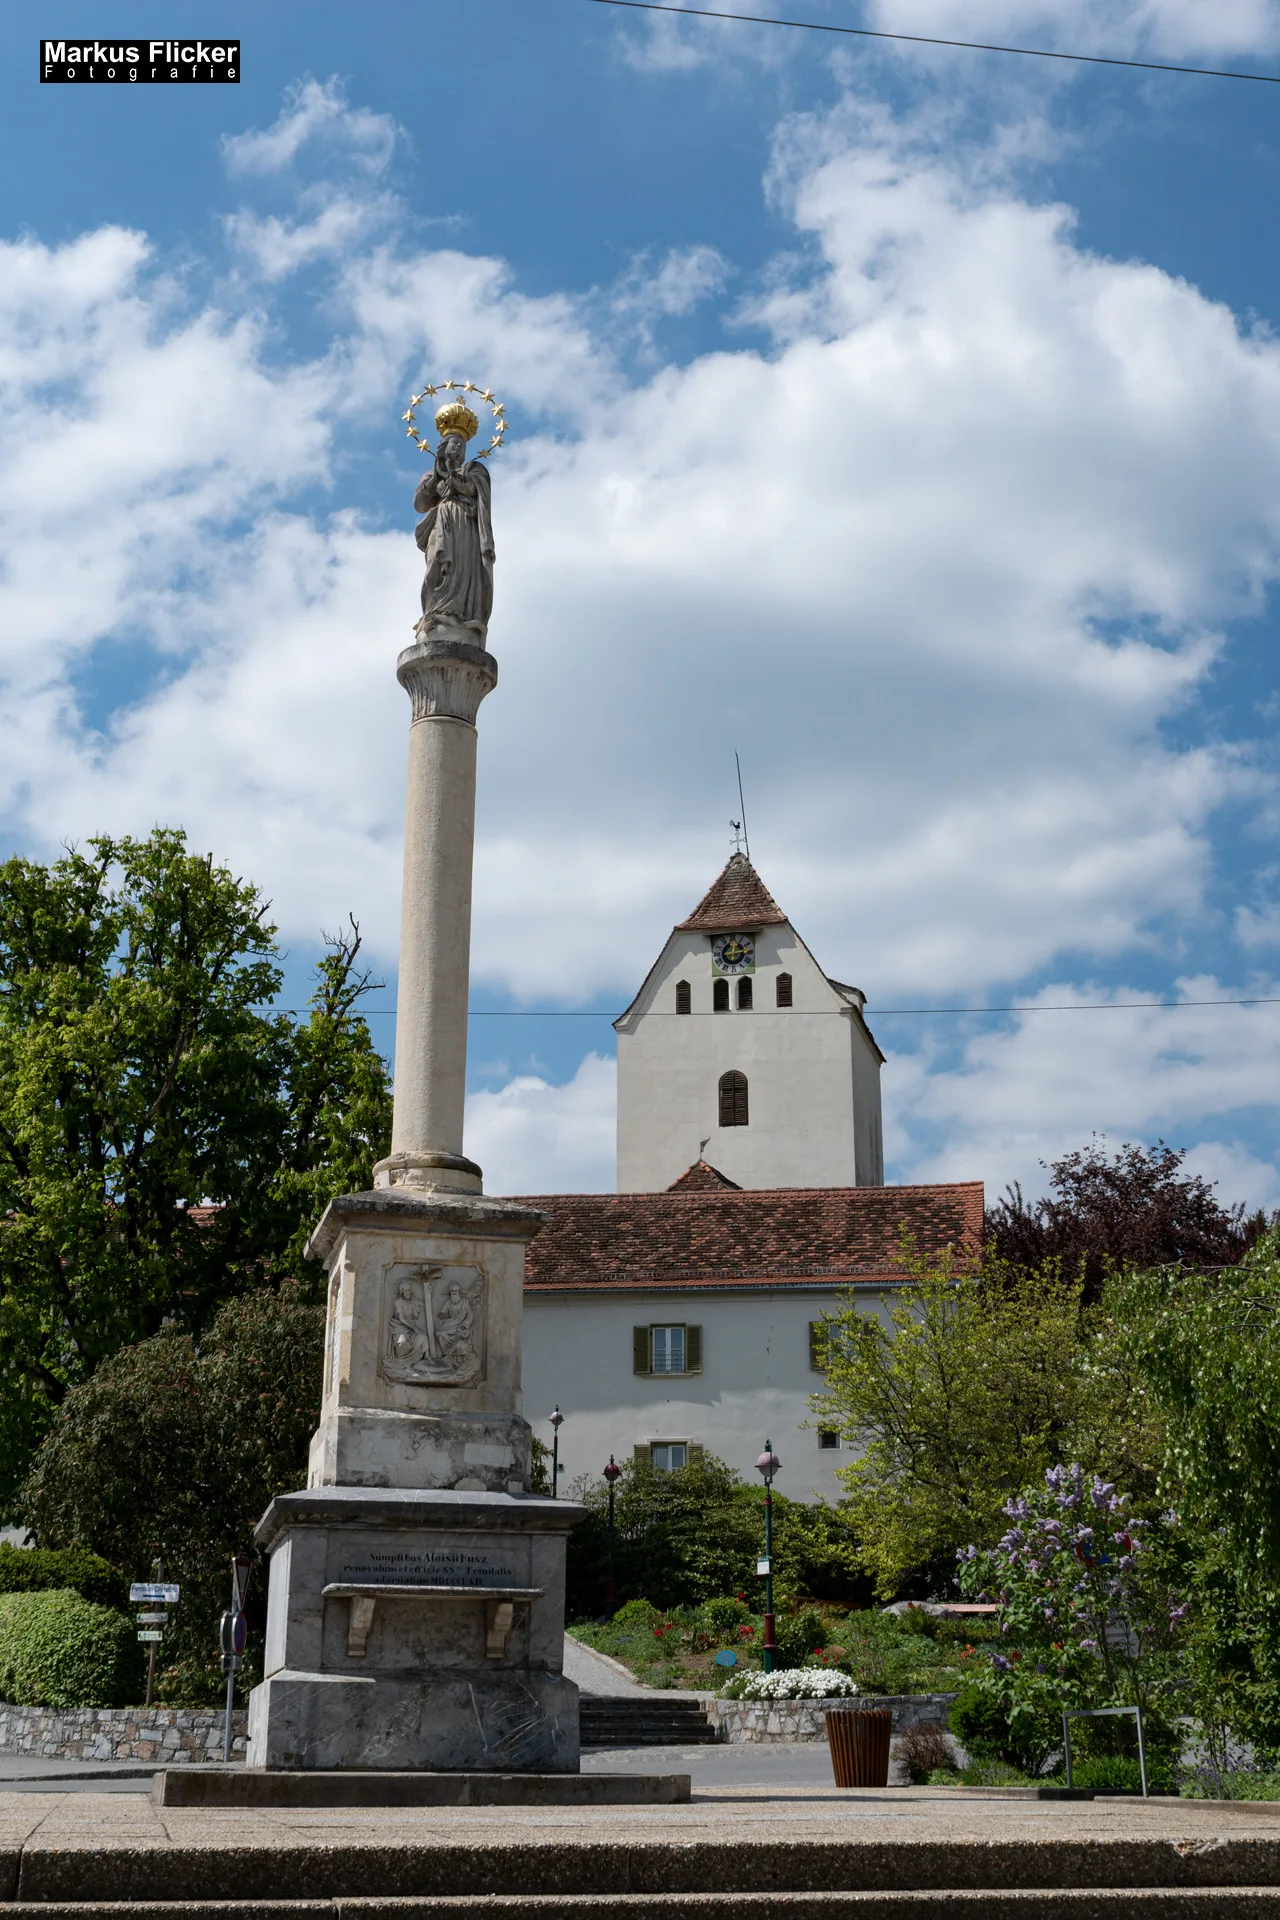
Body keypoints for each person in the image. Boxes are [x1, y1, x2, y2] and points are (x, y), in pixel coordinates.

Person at [414, 422, 494, 638]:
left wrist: (451, 476)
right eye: (454, 444)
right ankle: (435, 610)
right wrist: (436, 477)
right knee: (437, 566)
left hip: (465, 526)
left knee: (463, 567)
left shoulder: (473, 470)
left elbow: (472, 488)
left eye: (462, 446)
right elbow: (420, 503)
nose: (458, 448)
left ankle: (461, 614)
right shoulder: (432, 476)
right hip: (442, 522)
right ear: (442, 447)